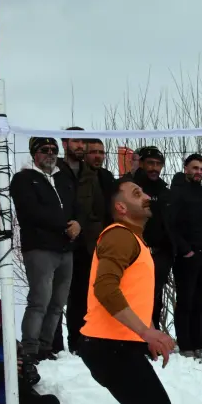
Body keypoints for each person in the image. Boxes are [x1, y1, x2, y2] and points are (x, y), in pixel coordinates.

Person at [79, 179, 179, 404]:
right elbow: (105, 288)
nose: (147, 196)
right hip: (106, 345)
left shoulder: (134, 239)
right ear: (120, 207)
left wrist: (144, 334)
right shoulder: (119, 236)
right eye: (137, 194)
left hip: (117, 344)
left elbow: (129, 294)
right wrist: (146, 332)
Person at [10, 137, 79, 368]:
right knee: (40, 300)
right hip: (39, 247)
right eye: (44, 149)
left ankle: (45, 346)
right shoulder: (23, 178)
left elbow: (75, 206)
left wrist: (77, 224)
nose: (50, 153)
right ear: (34, 153)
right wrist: (64, 226)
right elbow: (30, 212)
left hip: (66, 247)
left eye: (54, 149)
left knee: (58, 302)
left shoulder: (63, 177)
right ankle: (30, 348)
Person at [59, 129, 116, 353]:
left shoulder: (102, 177)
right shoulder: (63, 171)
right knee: (68, 295)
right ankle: (70, 342)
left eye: (101, 152)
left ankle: (91, 338)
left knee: (93, 294)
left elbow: (103, 209)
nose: (97, 156)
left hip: (96, 243)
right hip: (69, 241)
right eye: (93, 151)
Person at [167, 154, 202, 358]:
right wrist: (185, 250)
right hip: (187, 257)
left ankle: (198, 343)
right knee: (186, 301)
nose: (198, 172)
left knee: (200, 302)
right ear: (186, 168)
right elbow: (170, 225)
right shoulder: (176, 192)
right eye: (195, 168)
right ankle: (185, 345)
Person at [129, 147, 174, 330]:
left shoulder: (164, 190)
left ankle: (152, 335)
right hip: (135, 252)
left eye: (158, 164)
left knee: (156, 297)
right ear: (141, 163)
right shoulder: (130, 187)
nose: (154, 168)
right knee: (135, 297)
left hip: (161, 253)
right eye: (150, 163)